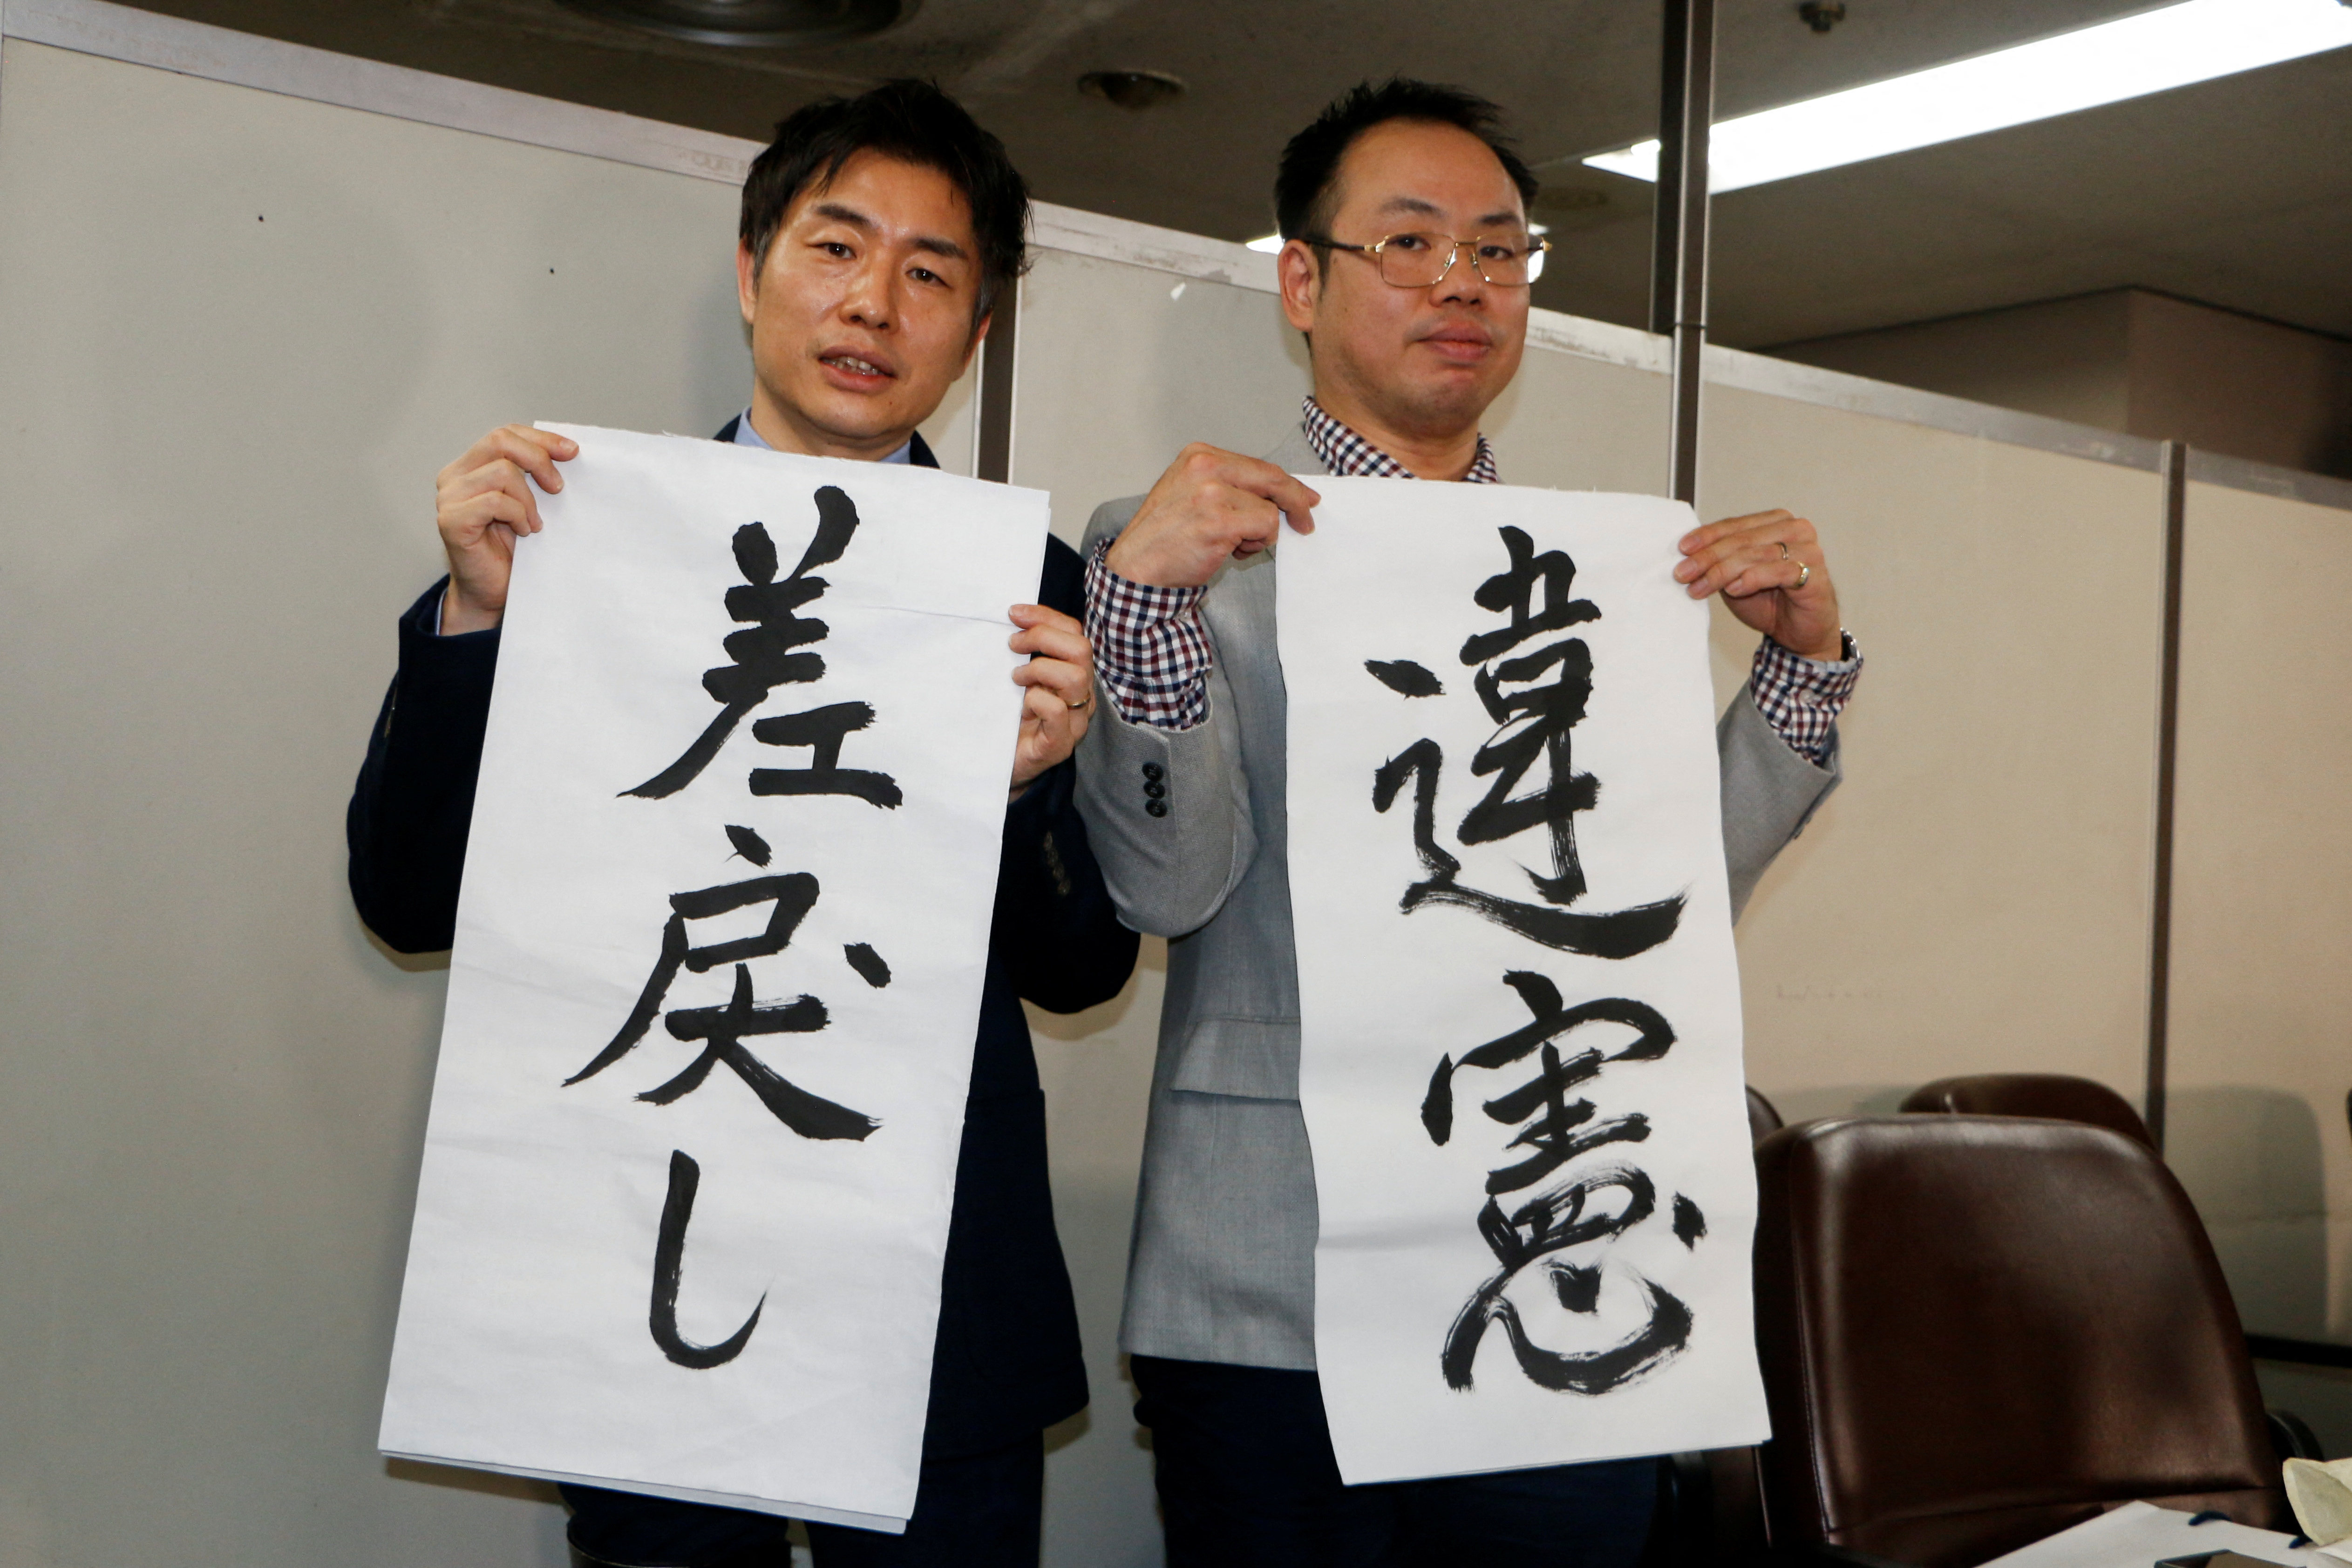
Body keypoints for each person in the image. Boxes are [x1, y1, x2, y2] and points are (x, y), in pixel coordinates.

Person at [1071, 79, 1863, 1566]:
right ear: (1301, 280)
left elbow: (1667, 907)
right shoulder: (1183, 546)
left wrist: (1799, 673)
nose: (1461, 285)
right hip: (1272, 1274)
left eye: (1499, 251)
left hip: (1559, 1239)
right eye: (1411, 244)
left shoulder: (1604, 575)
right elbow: (1167, 887)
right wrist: (1140, 609)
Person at [346, 80, 1138, 1568]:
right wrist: (470, 618)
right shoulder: (573, 538)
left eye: (929, 272)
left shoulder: (1024, 586)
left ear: (974, 333)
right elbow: (406, 894)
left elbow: (1084, 969)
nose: (873, 305)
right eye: (836, 248)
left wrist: (1033, 782)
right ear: (750, 268)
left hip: (933, 1291)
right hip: (642, 1258)